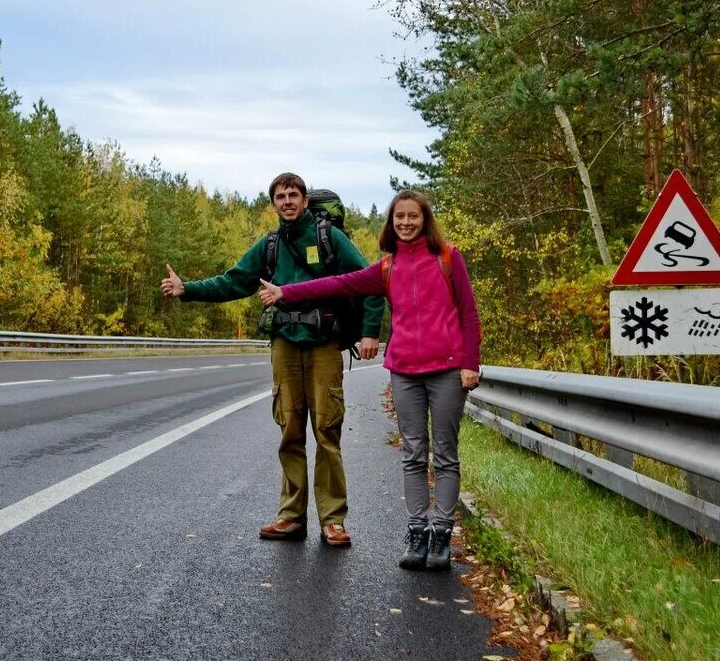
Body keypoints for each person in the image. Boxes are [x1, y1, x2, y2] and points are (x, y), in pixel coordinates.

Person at [258, 189, 481, 570]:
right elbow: (337, 284)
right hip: (405, 370)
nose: (406, 223)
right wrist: (286, 292)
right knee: (413, 454)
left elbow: (469, 314)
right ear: (391, 223)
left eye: (413, 216)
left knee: (444, 455)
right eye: (399, 218)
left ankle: (441, 533)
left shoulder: (447, 257)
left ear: (425, 220)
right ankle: (417, 532)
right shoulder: (387, 267)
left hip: (446, 369)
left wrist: (470, 363)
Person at [161, 173, 384, 548]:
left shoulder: (330, 239)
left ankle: (333, 520)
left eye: (292, 195)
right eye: (279, 196)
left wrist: (370, 332)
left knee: (327, 430)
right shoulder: (269, 245)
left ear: (305, 200)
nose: (286, 201)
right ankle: (291, 516)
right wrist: (188, 291)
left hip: (323, 344)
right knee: (290, 429)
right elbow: (233, 281)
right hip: (284, 343)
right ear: (273, 203)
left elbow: (370, 281)